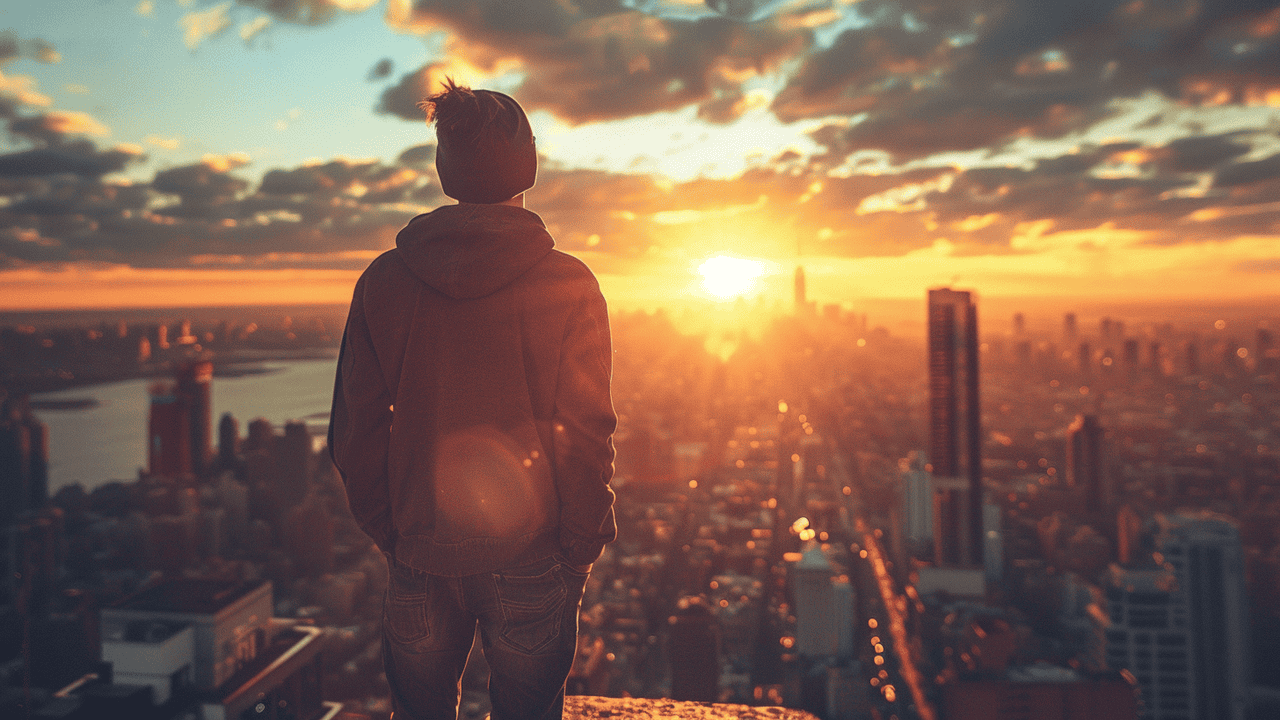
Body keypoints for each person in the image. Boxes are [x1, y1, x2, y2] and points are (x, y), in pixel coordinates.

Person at [329, 79, 617, 720]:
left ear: (443, 166)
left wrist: (395, 532)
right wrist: (579, 547)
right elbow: (586, 430)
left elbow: (356, 431)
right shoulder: (568, 284)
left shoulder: (385, 281)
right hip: (534, 553)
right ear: (529, 165)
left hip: (420, 548)